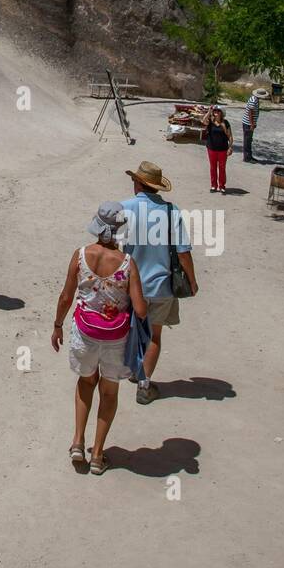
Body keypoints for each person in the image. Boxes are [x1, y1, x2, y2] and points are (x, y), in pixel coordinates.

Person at [51, 202, 147, 475]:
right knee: (109, 392)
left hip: (85, 333)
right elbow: (140, 310)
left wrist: (57, 325)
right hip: (116, 339)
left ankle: (78, 442)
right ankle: (97, 454)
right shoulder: (128, 264)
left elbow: (66, 297)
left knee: (85, 382)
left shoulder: (81, 255)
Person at [121, 160, 198, 404]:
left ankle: (132, 369)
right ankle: (144, 384)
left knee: (132, 328)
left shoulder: (124, 208)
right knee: (154, 335)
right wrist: (192, 282)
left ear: (138, 183)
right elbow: (183, 252)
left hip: (130, 285)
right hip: (161, 285)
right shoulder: (170, 211)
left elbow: (113, 247)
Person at [201, 104, 233, 192]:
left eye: (218, 111)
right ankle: (213, 185)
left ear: (221, 113)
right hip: (211, 148)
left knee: (222, 167)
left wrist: (230, 147)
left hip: (223, 149)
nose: (216, 112)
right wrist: (209, 111)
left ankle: (222, 185)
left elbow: (230, 137)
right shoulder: (210, 121)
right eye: (215, 111)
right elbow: (203, 121)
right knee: (213, 167)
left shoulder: (225, 123)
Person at [242, 90, 261, 162]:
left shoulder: (255, 99)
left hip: (249, 123)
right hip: (248, 123)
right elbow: (250, 112)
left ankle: (249, 156)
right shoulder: (254, 100)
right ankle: (247, 158)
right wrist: (252, 124)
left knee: (249, 140)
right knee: (247, 140)